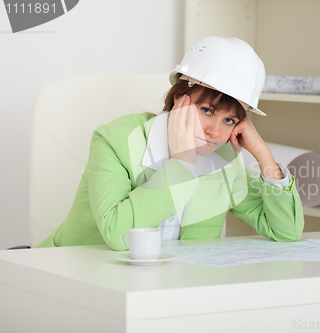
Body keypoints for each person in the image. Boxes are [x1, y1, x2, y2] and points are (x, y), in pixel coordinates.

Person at [36, 36, 304, 250]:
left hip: (167, 290)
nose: (213, 132)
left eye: (229, 121)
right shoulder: (114, 140)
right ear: (179, 99)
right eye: (207, 111)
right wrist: (182, 162)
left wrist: (263, 154)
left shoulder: (224, 161)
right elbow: (118, 234)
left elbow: (286, 231)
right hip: (72, 279)